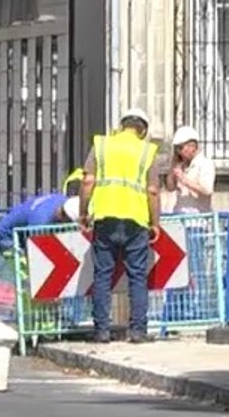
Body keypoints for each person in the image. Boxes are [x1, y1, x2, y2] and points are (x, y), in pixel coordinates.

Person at [77, 107, 161, 344]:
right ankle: (138, 331)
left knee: (103, 275)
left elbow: (88, 181)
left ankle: (102, 331)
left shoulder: (102, 146)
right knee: (137, 276)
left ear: (121, 126)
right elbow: (153, 191)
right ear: (142, 130)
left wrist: (83, 212)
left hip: (105, 217)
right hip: (136, 220)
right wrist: (155, 223)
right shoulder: (147, 151)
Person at [162, 125, 215, 324]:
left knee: (196, 268)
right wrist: (173, 170)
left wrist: (185, 179)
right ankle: (179, 308)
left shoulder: (204, 164)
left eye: (181, 148)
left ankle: (199, 308)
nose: (179, 152)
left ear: (192, 146)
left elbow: (207, 190)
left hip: (196, 222)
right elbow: (169, 187)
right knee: (178, 267)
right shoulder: (181, 166)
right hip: (179, 222)